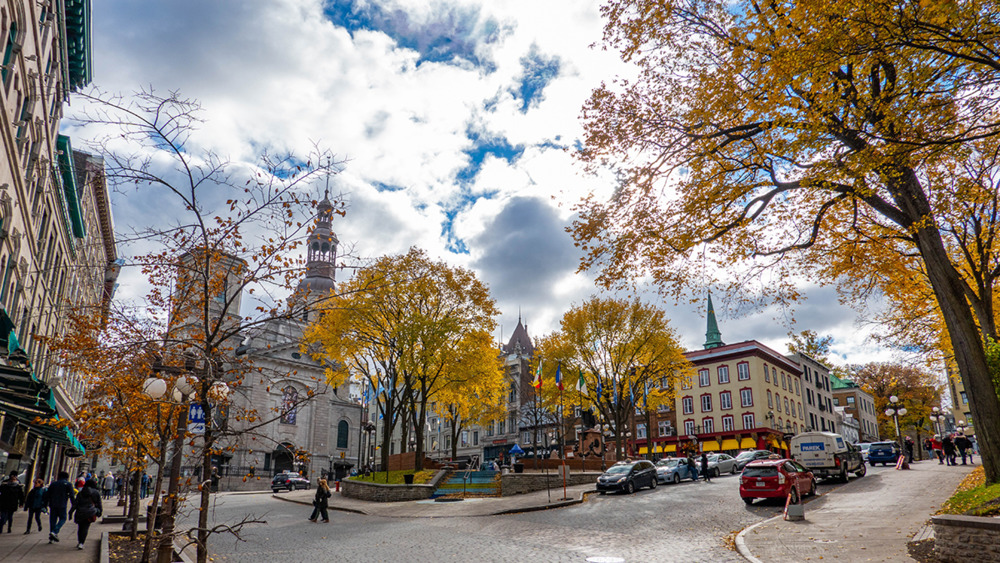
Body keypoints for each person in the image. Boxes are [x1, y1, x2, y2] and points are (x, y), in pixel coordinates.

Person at [70, 478, 102, 550]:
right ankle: (81, 543)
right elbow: (99, 503)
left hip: (80, 512)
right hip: (90, 512)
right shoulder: (96, 492)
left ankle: (79, 541)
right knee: (85, 527)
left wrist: (71, 512)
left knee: (80, 527)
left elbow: (75, 503)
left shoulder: (81, 493)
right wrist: (100, 512)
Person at [46, 471, 74, 543]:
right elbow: (72, 495)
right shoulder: (68, 484)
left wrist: (46, 504)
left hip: (53, 504)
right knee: (63, 518)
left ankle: (51, 538)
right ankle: (55, 531)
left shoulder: (53, 484)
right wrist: (74, 505)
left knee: (53, 520)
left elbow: (48, 494)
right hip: (62, 504)